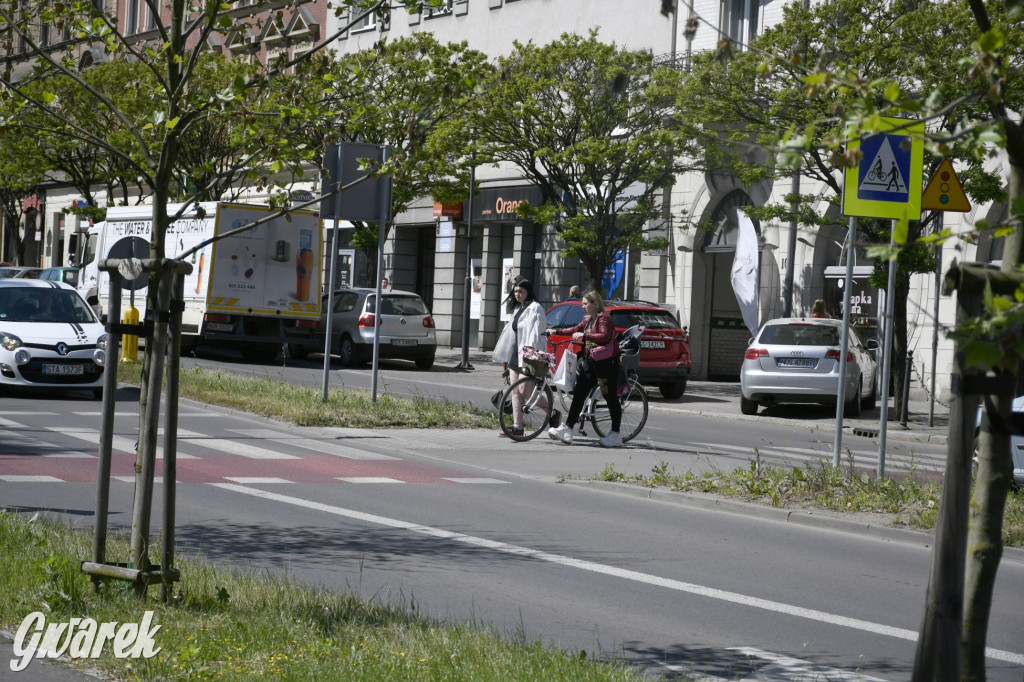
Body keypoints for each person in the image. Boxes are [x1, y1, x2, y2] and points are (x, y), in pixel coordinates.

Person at [546, 290, 623, 448]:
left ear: (595, 304)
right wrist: (556, 331)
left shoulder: (604, 318)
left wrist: (585, 336)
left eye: (585, 304)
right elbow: (575, 329)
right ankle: (568, 429)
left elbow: (604, 336)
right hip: (591, 361)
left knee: (610, 398)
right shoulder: (588, 319)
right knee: (579, 393)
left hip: (607, 364)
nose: (582, 307)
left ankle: (616, 434)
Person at [491, 279, 548, 437]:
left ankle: (552, 413)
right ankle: (518, 427)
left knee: (525, 390)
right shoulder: (519, 309)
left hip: (528, 355)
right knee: (515, 391)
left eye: (521, 291)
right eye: (515, 291)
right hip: (515, 355)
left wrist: (532, 356)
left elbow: (536, 335)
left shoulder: (535, 308)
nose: (517, 294)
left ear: (528, 292)